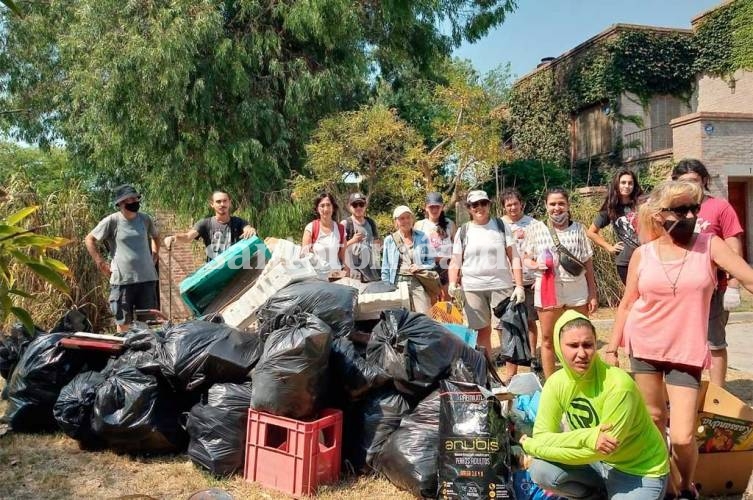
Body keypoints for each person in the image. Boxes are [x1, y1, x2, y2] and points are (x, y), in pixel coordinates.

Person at [605, 180, 753, 500]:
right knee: (655, 420)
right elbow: (628, 303)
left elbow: (747, 276)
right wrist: (612, 346)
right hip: (644, 345)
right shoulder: (643, 255)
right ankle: (671, 488)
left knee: (684, 436)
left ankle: (687, 483)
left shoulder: (709, 245)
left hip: (686, 350)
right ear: (660, 215)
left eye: (694, 209)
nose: (689, 215)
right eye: (681, 209)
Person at [521, 310, 669, 500]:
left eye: (588, 345)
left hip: (638, 470)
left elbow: (600, 449)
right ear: (558, 347)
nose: (582, 353)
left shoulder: (618, 385)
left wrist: (532, 446)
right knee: (541, 470)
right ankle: (596, 495)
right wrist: (589, 436)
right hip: (596, 465)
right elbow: (542, 435)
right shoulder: (556, 383)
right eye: (573, 346)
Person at [671, 159, 744, 388]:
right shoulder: (672, 209)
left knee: (714, 342)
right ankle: (687, 390)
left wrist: (733, 284)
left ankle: (717, 395)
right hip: (681, 286)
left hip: (714, 287)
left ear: (704, 181)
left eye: (694, 181)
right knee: (684, 342)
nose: (690, 186)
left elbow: (733, 246)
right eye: (683, 182)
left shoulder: (720, 207)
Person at [522, 187, 598, 379]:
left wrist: (593, 293)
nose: (557, 208)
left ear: (568, 205)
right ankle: (551, 384)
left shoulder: (579, 229)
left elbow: (588, 263)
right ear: (546, 206)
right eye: (552, 204)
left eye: (561, 203)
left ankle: (582, 377)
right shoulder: (535, 229)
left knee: (580, 337)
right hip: (548, 289)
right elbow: (525, 258)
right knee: (548, 339)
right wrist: (535, 264)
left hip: (576, 289)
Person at [448, 190, 525, 356]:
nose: (479, 207)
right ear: (469, 208)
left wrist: (519, 286)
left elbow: (514, 257)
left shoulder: (501, 226)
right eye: (475, 204)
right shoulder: (463, 231)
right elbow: (455, 261)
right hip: (473, 288)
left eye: (483, 203)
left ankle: (510, 377)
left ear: (489, 204)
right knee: (481, 332)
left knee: (508, 329)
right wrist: (453, 283)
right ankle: (487, 372)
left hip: (501, 285)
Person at [85, 184, 160, 333]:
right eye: (129, 200)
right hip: (123, 281)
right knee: (123, 323)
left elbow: (156, 236)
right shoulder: (112, 221)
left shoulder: (145, 219)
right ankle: (125, 352)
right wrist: (101, 263)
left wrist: (155, 254)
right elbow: (89, 239)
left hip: (146, 278)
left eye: (135, 198)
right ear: (120, 203)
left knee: (146, 326)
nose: (133, 202)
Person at [500, 187, 540, 378]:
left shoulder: (534, 224)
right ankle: (508, 354)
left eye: (515, 203)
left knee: (530, 320)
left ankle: (532, 356)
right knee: (506, 322)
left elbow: (543, 251)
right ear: (503, 207)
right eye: (508, 205)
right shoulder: (499, 225)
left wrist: (539, 275)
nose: (513, 207)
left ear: (521, 203)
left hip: (529, 279)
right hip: (506, 280)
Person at [163, 190, 256, 261]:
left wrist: (250, 230)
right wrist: (173, 238)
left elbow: (247, 228)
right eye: (218, 201)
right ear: (212, 204)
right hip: (214, 270)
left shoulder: (238, 222)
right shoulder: (205, 224)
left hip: (235, 267)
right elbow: (188, 237)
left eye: (225, 201)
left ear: (229, 202)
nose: (222, 204)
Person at [587, 170, 643, 284]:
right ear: (617, 184)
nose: (627, 186)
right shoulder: (610, 208)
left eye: (630, 183)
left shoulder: (641, 203)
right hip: (625, 262)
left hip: (645, 257)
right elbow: (591, 232)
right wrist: (609, 247)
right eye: (623, 182)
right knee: (632, 296)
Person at [381, 205, 435, 314]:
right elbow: (385, 268)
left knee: (423, 315)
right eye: (401, 218)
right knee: (400, 318)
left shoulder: (422, 236)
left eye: (408, 217)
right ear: (396, 222)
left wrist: (420, 266)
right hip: (397, 282)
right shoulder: (389, 240)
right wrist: (386, 288)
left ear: (412, 219)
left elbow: (431, 261)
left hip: (417, 280)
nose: (406, 221)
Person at [414, 192, 457, 300]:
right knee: (431, 302)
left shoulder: (450, 224)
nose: (434, 210)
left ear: (442, 207)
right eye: (431, 207)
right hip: (428, 267)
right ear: (426, 208)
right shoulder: (419, 225)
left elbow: (457, 247)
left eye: (437, 207)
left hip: (446, 267)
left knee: (447, 302)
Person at [301, 193, 346, 274]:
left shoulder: (340, 229)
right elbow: (304, 256)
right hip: (316, 277)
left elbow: (343, 256)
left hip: (336, 275)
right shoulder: (311, 228)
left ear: (333, 207)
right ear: (317, 209)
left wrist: (346, 272)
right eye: (322, 206)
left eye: (328, 205)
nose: (326, 209)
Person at [341, 192, 381, 282]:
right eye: (355, 205)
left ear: (365, 206)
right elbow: (338, 249)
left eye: (361, 204)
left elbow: (376, 247)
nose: (358, 207)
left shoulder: (371, 223)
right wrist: (352, 241)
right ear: (349, 206)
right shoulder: (345, 224)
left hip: (372, 274)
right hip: (354, 275)